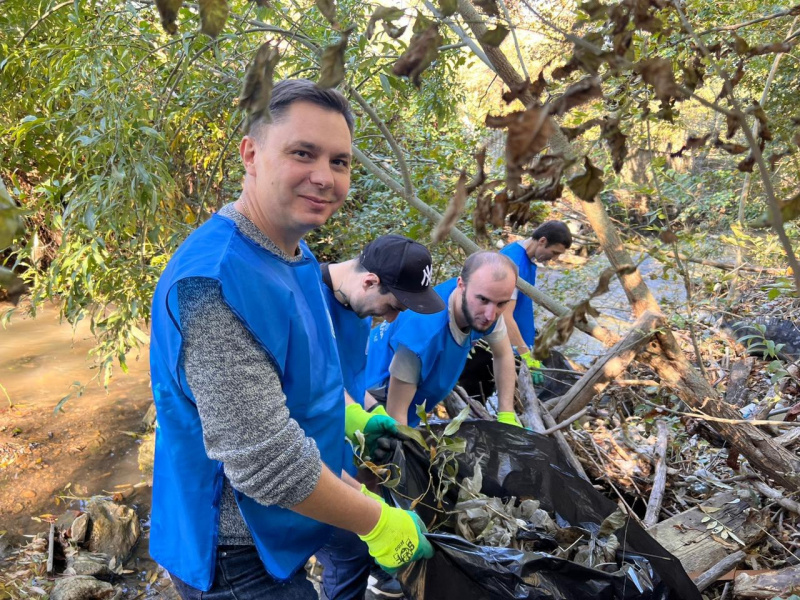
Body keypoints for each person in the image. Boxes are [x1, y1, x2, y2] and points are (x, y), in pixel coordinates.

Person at [148, 79, 432, 600]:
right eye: (303, 153)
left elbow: (300, 379)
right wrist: (379, 523)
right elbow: (267, 464)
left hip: (280, 534)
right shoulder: (213, 283)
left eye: (340, 161)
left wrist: (356, 418)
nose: (324, 177)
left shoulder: (291, 256)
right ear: (251, 154)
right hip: (234, 556)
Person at [315, 234, 445, 600]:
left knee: (356, 545)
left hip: (337, 444)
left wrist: (364, 414)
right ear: (370, 281)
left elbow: (336, 380)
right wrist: (371, 513)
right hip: (301, 461)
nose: (391, 317)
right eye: (393, 305)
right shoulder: (307, 300)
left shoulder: (357, 306)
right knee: (347, 549)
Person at [364, 251, 522, 428]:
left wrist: (507, 414)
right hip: (372, 398)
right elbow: (396, 415)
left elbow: (503, 355)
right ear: (461, 285)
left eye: (501, 304)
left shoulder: (485, 303)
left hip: (414, 395)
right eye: (483, 300)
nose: (490, 315)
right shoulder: (421, 336)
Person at [500, 221, 571, 383]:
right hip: (508, 347)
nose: (554, 258)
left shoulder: (527, 260)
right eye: (554, 252)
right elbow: (504, 316)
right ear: (542, 241)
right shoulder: (513, 263)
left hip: (519, 344)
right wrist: (525, 355)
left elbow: (520, 306)